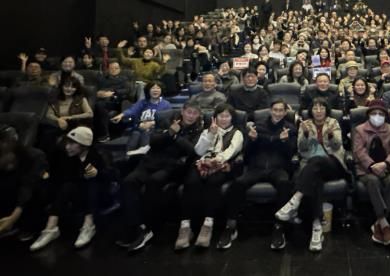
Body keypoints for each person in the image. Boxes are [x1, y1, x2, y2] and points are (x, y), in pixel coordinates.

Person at [117, 103, 203, 252]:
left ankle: (150, 227)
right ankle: (136, 225)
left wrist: (175, 136)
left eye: (194, 113)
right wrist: (170, 132)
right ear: (182, 111)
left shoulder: (198, 130)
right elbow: (153, 142)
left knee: (154, 182)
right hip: (150, 162)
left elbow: (192, 150)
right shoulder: (167, 122)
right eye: (189, 112)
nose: (191, 116)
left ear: (198, 116)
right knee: (128, 182)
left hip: (171, 166)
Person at [217, 100, 297, 251]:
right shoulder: (258, 126)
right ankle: (230, 226)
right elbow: (247, 154)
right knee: (238, 184)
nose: (278, 113)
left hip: (278, 168)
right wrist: (253, 140)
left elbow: (291, 153)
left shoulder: (290, 128)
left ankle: (279, 227)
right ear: (270, 111)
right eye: (275, 110)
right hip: (256, 167)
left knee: (284, 184)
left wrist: (284, 142)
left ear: (286, 112)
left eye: (281, 110)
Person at [275, 97, 347, 252]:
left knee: (316, 161)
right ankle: (317, 226)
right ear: (311, 111)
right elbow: (301, 149)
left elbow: (337, 146)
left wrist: (330, 136)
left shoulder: (333, 122)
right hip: (312, 168)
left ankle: (295, 200)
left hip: (332, 164)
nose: (318, 111)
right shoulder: (305, 124)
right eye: (315, 108)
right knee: (316, 179)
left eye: (322, 108)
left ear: (326, 110)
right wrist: (306, 135)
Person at [175, 103, 244, 250]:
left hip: (222, 166)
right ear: (215, 117)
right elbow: (199, 151)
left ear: (232, 118)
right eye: (221, 116)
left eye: (227, 116)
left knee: (213, 181)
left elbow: (231, 152)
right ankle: (185, 226)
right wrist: (210, 134)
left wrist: (214, 161)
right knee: (190, 182)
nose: (223, 119)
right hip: (202, 163)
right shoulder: (207, 130)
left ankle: (207, 225)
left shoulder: (237, 133)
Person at [30, 127, 105, 251]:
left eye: (72, 144)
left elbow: (107, 179)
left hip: (95, 195)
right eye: (67, 143)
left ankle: (89, 225)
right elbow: (63, 177)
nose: (67, 147)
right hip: (76, 194)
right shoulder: (67, 157)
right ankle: (51, 228)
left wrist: (97, 173)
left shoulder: (96, 156)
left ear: (84, 145)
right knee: (65, 186)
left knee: (92, 184)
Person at [352, 100, 390, 246]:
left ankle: (379, 224)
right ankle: (384, 223)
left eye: (381, 114)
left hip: (387, 168)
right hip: (366, 169)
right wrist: (372, 165)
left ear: (385, 116)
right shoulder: (360, 130)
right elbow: (358, 152)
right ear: (368, 115)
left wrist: (385, 164)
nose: (377, 116)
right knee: (372, 180)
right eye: (374, 113)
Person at [0, 125, 48, 239]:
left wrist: (14, 217)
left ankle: (24, 226)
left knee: (34, 189)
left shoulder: (35, 156)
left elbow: (28, 187)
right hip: (10, 197)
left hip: (27, 198)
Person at [110, 82, 172, 153]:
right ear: (148, 90)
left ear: (161, 90)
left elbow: (167, 119)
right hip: (141, 127)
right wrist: (121, 115)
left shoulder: (166, 104)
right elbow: (132, 110)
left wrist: (152, 123)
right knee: (135, 134)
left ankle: (144, 153)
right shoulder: (142, 102)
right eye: (153, 88)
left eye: (158, 88)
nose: (155, 90)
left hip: (156, 129)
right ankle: (129, 155)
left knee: (146, 132)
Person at [94, 61, 132, 142]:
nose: (114, 70)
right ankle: (105, 134)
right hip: (108, 101)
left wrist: (113, 91)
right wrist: (101, 93)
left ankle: (127, 132)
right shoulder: (103, 79)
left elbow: (128, 90)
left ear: (119, 69)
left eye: (116, 68)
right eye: (111, 68)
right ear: (108, 69)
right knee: (99, 105)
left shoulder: (124, 79)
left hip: (120, 100)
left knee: (126, 103)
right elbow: (99, 90)